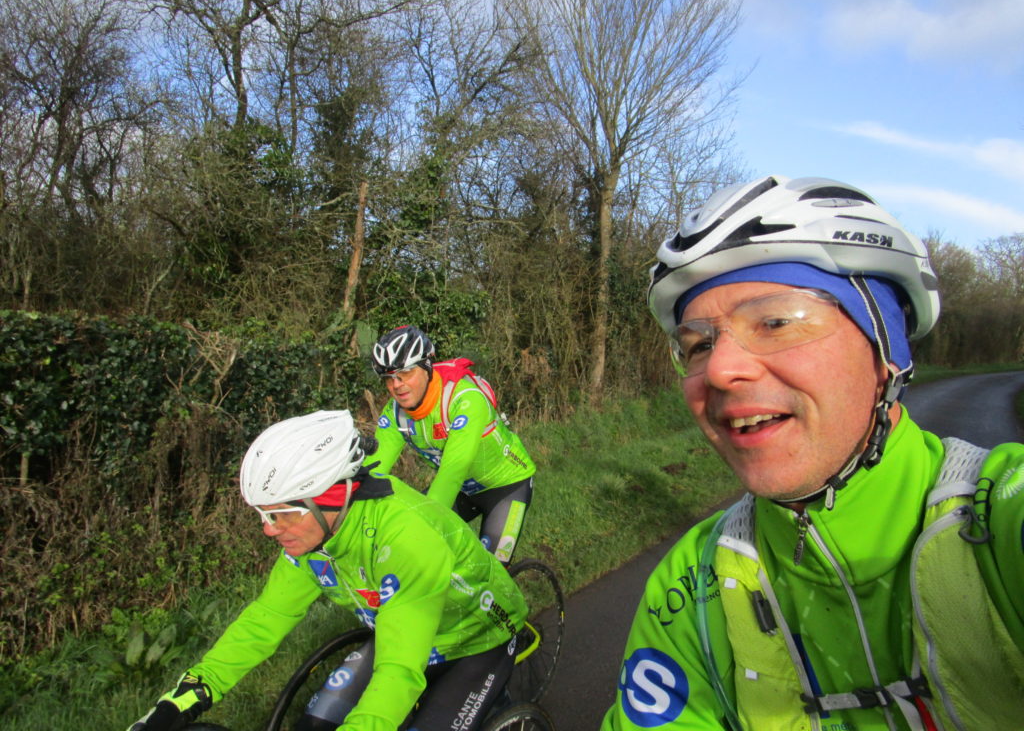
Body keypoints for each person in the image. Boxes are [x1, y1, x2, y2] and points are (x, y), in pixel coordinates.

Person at [602, 175, 1024, 730]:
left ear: (886, 351)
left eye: (775, 322)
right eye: (699, 344)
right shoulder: (690, 581)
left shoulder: (1003, 517)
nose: (721, 370)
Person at [129, 409, 526, 731]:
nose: (269, 529)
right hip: (400, 632)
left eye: (282, 513)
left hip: (475, 636)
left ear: (331, 497)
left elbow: (399, 670)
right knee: (314, 723)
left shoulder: (407, 539)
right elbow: (267, 618)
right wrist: (189, 694)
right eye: (264, 515)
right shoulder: (311, 538)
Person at [371, 326, 536, 565]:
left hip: (507, 487)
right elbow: (373, 471)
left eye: (405, 373)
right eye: (389, 378)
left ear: (427, 366)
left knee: (491, 568)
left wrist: (422, 528)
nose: (397, 385)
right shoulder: (395, 413)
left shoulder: (465, 399)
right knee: (412, 552)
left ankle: (502, 587)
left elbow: (452, 471)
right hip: (464, 492)